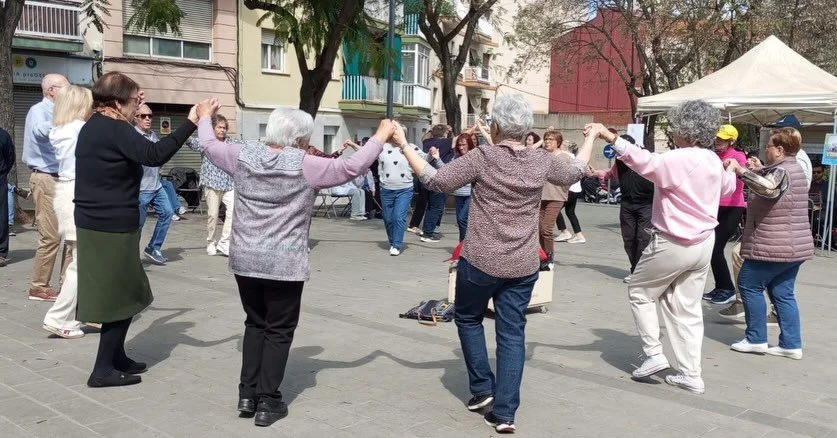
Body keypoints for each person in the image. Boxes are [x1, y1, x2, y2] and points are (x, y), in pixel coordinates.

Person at [400, 95, 593, 433]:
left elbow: (435, 181)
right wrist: (592, 137)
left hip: (481, 261)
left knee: (468, 318)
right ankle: (504, 413)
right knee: (512, 333)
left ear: (497, 125)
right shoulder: (543, 161)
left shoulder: (483, 157)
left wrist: (404, 144)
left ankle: (481, 390)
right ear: (526, 128)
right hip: (522, 264)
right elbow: (578, 170)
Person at [195, 103, 393, 427]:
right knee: (278, 330)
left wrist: (204, 116)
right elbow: (351, 168)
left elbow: (208, 145)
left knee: (255, 322)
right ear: (300, 137)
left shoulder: (242, 155)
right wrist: (380, 136)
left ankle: (247, 394)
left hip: (245, 258)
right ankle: (267, 400)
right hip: (284, 262)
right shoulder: (307, 164)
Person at [586, 99, 737, 395]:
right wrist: (730, 168)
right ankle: (691, 373)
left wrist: (609, 136)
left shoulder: (680, 158)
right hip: (704, 243)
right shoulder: (712, 160)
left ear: (686, 129)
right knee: (686, 308)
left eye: (676, 127)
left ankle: (655, 354)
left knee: (640, 291)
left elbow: (644, 162)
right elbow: (727, 188)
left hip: (674, 241)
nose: (673, 133)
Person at [74, 72, 200, 388]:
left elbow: (126, 138)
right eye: (134, 102)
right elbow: (153, 155)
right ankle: (101, 370)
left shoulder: (98, 125)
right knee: (122, 296)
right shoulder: (113, 128)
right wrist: (192, 121)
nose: (138, 107)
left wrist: (128, 106)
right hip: (109, 225)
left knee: (128, 292)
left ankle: (116, 357)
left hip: (101, 222)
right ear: (117, 103)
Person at [725, 128, 814, 360]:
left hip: (774, 244)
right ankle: (790, 344)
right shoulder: (792, 168)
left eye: (769, 146)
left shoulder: (783, 171)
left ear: (780, 149)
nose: (766, 149)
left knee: (748, 285)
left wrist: (741, 170)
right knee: (783, 293)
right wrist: (759, 169)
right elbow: (771, 181)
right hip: (793, 245)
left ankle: (756, 339)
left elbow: (769, 188)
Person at [42, 85, 93, 339]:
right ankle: (59, 316)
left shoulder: (59, 129)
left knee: (81, 260)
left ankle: (89, 312)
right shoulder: (79, 130)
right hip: (78, 195)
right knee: (80, 263)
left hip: (66, 193)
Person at [23, 73, 72, 301]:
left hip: (64, 179)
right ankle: (39, 287)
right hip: (46, 178)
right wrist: (65, 119)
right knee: (51, 236)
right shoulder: (39, 110)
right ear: (51, 90)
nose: (69, 91)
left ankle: (67, 285)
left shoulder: (62, 112)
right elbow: (40, 131)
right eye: (65, 87)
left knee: (70, 235)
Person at [593, 134, 655, 283]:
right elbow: (611, 173)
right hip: (627, 203)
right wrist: (597, 173)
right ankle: (635, 268)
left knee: (643, 238)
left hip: (646, 204)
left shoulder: (647, 156)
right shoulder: (619, 160)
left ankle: (639, 272)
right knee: (628, 239)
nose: (620, 153)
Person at [703, 125, 747, 306]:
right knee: (710, 249)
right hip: (714, 207)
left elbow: (736, 180)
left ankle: (727, 289)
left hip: (732, 207)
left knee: (715, 248)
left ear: (732, 141)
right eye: (717, 138)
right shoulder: (713, 156)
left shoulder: (738, 157)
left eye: (722, 138)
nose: (717, 141)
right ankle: (721, 286)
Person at [378, 125, 433, 256]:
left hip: (404, 189)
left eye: (398, 133)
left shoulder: (410, 147)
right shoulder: (383, 148)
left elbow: (424, 159)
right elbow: (367, 153)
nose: (395, 136)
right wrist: (353, 145)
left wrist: (431, 154)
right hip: (386, 189)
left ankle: (397, 244)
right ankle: (393, 242)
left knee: (398, 217)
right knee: (388, 218)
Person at [188, 114, 235, 256]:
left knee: (234, 211)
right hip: (211, 184)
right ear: (213, 128)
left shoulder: (230, 142)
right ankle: (210, 242)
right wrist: (189, 127)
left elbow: (243, 147)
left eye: (224, 127)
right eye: (219, 127)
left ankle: (225, 241)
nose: (222, 130)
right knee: (213, 215)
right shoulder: (206, 142)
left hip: (229, 184)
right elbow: (190, 142)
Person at [135, 104, 174, 265]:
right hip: (141, 189)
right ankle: (130, 255)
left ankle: (153, 247)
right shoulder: (133, 136)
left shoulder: (153, 136)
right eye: (143, 116)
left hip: (156, 186)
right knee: (138, 225)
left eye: (150, 116)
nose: (148, 119)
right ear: (135, 118)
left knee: (168, 212)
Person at [431, 133, 477, 242]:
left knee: (462, 219)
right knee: (461, 221)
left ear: (469, 144)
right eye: (459, 145)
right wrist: (437, 159)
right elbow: (447, 171)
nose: (461, 147)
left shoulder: (475, 157)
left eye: (464, 145)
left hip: (471, 194)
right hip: (459, 194)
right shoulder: (456, 157)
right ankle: (463, 246)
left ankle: (466, 247)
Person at [538, 129, 572, 269]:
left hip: (556, 196)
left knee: (546, 228)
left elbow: (569, 175)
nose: (547, 141)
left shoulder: (565, 157)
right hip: (540, 196)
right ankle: (540, 256)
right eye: (546, 139)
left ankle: (549, 256)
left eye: (551, 139)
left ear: (558, 142)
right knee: (538, 228)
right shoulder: (540, 155)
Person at [420, 124, 455, 242]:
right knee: (436, 207)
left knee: (430, 206)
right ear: (445, 133)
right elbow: (455, 139)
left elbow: (423, 138)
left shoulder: (426, 142)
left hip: (426, 176)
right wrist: (450, 132)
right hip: (439, 176)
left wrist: (431, 130)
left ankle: (427, 229)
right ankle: (428, 233)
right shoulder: (447, 142)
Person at [555, 142, 586, 244]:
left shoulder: (566, 156)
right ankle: (579, 235)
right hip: (576, 189)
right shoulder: (575, 157)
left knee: (555, 209)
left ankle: (564, 231)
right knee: (570, 212)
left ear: (566, 148)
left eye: (562, 145)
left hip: (570, 190)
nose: (560, 145)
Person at [0, 128, 14, 267]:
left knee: (1, 215)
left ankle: (1, 252)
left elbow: (10, 158)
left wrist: (3, 173)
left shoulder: (3, 135)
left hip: (0, 178)